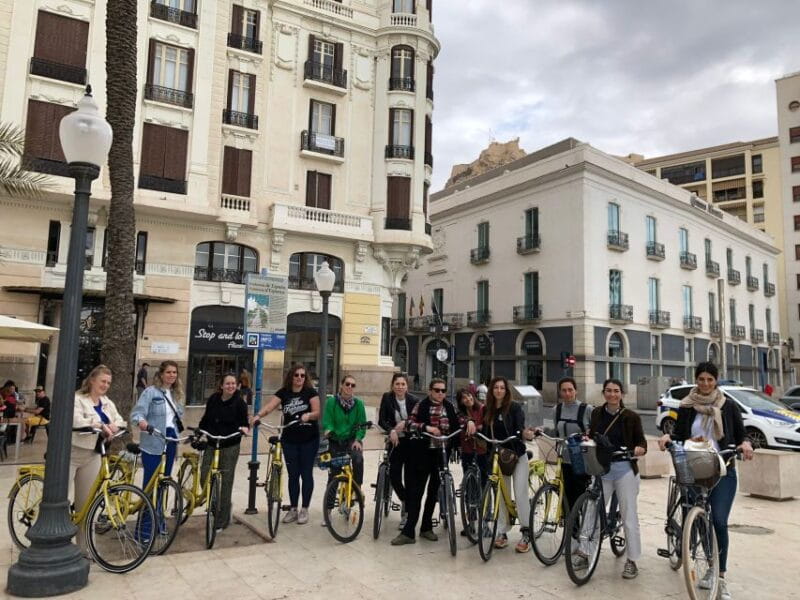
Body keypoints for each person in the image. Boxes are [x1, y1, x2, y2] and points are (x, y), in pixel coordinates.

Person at [658, 362, 754, 599]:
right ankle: (708, 558)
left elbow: (741, 435)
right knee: (700, 520)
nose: (705, 383)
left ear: (716, 380)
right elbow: (679, 434)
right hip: (693, 467)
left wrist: (745, 444)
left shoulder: (728, 406)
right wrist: (668, 437)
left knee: (719, 521)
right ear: (696, 380)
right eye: (701, 379)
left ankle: (719, 575)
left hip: (722, 468)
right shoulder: (687, 405)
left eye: (710, 379)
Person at [580, 378, 647, 580]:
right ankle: (585, 551)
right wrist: (587, 438)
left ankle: (632, 560)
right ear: (603, 393)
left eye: (616, 391)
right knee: (591, 510)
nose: (612, 395)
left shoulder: (631, 416)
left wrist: (640, 448)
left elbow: (641, 440)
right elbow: (592, 434)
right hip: (602, 469)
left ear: (622, 394)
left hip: (624, 469)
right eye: (608, 391)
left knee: (629, 515)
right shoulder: (597, 413)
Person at [392, 378, 468, 546]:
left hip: (442, 454)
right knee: (416, 492)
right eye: (437, 390)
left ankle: (426, 527)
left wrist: (468, 422)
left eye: (443, 390)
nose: (440, 393)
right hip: (422, 454)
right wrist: (427, 428)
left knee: (433, 492)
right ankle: (408, 532)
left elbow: (460, 419)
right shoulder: (421, 405)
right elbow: (410, 423)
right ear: (430, 391)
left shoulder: (449, 406)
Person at [250, 364, 320, 525]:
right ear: (291, 376)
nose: (300, 378)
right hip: (290, 440)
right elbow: (269, 406)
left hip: (309, 439)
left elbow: (317, 412)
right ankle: (293, 508)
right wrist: (258, 416)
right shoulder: (284, 392)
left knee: (306, 474)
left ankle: (305, 509)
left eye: (303, 375)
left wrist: (308, 416)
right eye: (296, 375)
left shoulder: (310, 392)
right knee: (293, 475)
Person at [130, 360, 186, 537]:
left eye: (174, 372)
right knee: (150, 486)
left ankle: (158, 521)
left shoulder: (176, 394)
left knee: (163, 484)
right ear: (161, 374)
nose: (172, 375)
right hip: (153, 442)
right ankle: (144, 530)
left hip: (171, 440)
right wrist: (143, 423)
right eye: (168, 372)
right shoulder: (150, 392)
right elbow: (136, 413)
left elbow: (178, 416)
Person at [484, 376, 535, 553]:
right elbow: (484, 431)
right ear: (491, 390)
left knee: (520, 494)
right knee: (501, 496)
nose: (499, 390)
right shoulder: (488, 409)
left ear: (507, 391)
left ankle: (527, 532)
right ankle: (502, 532)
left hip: (517, 455)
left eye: (502, 388)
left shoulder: (514, 408)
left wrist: (523, 434)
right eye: (496, 387)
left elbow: (520, 426)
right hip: (499, 457)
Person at [197, 373, 249, 531]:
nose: (231, 386)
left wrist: (244, 428)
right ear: (221, 385)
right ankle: (215, 504)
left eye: (233, 383)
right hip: (213, 442)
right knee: (205, 475)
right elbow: (206, 419)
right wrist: (200, 432)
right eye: (228, 383)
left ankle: (222, 519)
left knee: (226, 481)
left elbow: (244, 422)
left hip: (230, 444)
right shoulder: (213, 399)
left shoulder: (240, 403)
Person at [72, 365, 126, 513]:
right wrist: (100, 425)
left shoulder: (107, 402)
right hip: (74, 452)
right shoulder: (78, 399)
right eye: (103, 381)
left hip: (95, 453)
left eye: (108, 383)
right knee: (61, 498)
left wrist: (115, 426)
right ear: (92, 380)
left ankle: (86, 536)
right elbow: (76, 421)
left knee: (87, 504)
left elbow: (120, 420)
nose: (105, 385)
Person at [536, 377, 592, 513]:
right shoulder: (557, 409)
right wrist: (540, 429)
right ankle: (569, 526)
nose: (567, 393)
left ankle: (580, 526)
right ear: (560, 393)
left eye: (570, 390)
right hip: (563, 458)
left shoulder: (586, 409)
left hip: (581, 459)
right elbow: (552, 428)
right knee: (566, 493)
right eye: (564, 390)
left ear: (576, 391)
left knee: (580, 493)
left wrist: (589, 434)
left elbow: (595, 430)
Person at [378, 373, 419, 529]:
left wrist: (405, 423)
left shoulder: (414, 400)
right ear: (392, 385)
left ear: (407, 386)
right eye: (397, 384)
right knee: (394, 474)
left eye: (403, 384)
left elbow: (417, 419)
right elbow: (381, 419)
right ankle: (405, 499)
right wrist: (391, 431)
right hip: (395, 442)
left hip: (411, 442)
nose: (400, 387)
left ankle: (407, 512)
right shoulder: (387, 398)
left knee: (409, 478)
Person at [322, 375, 367, 486]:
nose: (350, 387)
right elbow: (328, 420)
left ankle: (357, 488)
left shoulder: (359, 404)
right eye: (347, 384)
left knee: (358, 459)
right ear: (341, 385)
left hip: (352, 439)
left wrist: (358, 439)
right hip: (336, 439)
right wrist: (329, 429)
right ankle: (329, 501)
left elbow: (362, 425)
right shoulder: (331, 402)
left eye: (353, 385)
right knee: (334, 472)